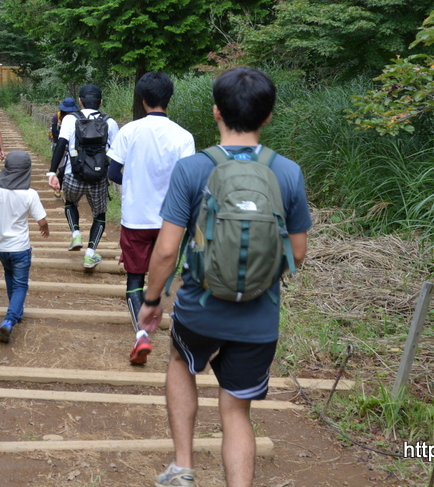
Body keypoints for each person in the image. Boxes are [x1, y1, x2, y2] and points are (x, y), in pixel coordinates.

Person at [137, 67, 310, 487]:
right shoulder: (288, 172)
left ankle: (183, 466)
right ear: (268, 116)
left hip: (200, 308)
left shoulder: (193, 169)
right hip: (259, 318)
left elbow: (166, 249)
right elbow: (297, 253)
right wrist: (257, 277)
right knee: (236, 410)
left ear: (216, 111)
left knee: (181, 362)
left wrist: (152, 301)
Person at [107, 71, 195, 366]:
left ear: (143, 99)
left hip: (136, 218)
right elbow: (187, 180)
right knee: (165, 276)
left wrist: (134, 181)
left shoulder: (129, 131)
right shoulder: (184, 137)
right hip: (171, 220)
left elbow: (113, 172)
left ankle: (142, 335)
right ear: (169, 98)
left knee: (135, 278)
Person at [0, 150, 49, 343]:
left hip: (1, 247)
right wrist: (45, 229)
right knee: (21, 284)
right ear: (27, 171)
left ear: (6, 168)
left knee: (9, 275)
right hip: (20, 248)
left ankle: (16, 311)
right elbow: (42, 221)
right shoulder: (30, 194)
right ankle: (9, 320)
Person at [46, 84, 119, 269]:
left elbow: (61, 145)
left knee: (70, 202)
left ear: (80, 101)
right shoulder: (110, 122)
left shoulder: (70, 119)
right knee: (100, 215)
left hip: (73, 175)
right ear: (101, 102)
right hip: (98, 178)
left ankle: (76, 233)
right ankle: (90, 254)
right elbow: (117, 153)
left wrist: (52, 172)